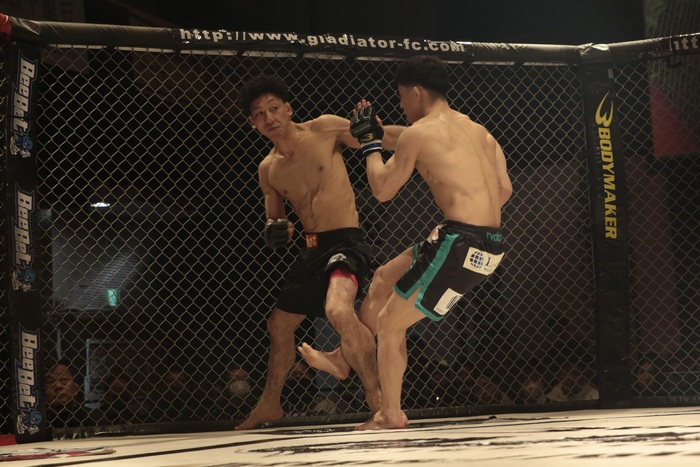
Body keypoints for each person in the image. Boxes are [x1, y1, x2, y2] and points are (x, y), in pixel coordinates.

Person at [307, 55, 512, 430]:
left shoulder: (420, 133)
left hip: (460, 241)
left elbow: (382, 190)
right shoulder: (481, 132)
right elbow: (503, 191)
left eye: (401, 97)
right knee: (384, 277)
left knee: (391, 323)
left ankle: (390, 414)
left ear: (416, 93)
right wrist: (466, 209)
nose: (401, 105)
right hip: (488, 241)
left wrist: (370, 144)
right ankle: (342, 357)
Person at [233, 74, 403, 430]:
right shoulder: (268, 169)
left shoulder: (324, 129)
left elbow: (376, 137)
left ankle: (379, 401)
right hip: (312, 249)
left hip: (346, 242)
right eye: (260, 114)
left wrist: (418, 136)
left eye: (274, 108)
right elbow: (276, 219)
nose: (269, 118)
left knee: (338, 310)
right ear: (253, 123)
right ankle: (271, 403)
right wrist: (276, 230)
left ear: (288, 108)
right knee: (278, 324)